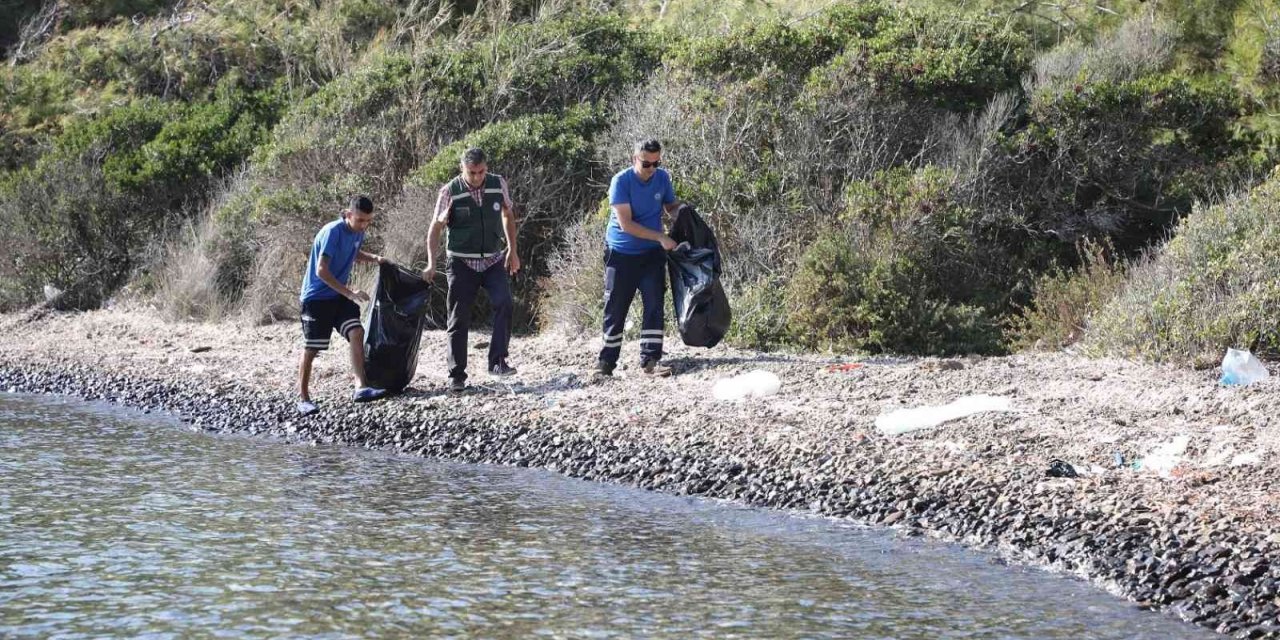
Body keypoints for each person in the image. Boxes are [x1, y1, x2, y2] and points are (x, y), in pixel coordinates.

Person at [422, 147, 521, 393]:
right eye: (472, 172)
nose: (477, 177)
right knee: (458, 316)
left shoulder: (498, 184)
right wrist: (431, 262)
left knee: (504, 303)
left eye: (481, 172)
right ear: (462, 169)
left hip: (493, 259)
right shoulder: (449, 191)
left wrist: (512, 250)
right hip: (461, 262)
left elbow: (508, 214)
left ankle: (498, 362)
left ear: (486, 168)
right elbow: (436, 228)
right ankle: (456, 376)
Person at [596, 139, 681, 378]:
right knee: (616, 306)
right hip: (622, 254)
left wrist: (681, 212)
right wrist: (660, 237)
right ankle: (605, 362)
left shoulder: (662, 178)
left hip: (651, 254)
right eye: (646, 164)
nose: (652, 169)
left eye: (656, 163)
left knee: (654, 304)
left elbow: (670, 204)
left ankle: (651, 359)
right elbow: (626, 224)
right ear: (635, 159)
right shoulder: (621, 182)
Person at [297, 195, 388, 415]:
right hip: (316, 298)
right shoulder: (332, 232)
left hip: (337, 297)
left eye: (368, 221)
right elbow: (321, 270)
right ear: (348, 214)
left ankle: (361, 387)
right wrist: (350, 292)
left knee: (356, 331)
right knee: (312, 348)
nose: (364, 225)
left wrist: (375, 258)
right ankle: (303, 398)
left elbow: (353, 253)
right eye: (359, 220)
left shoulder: (358, 231)